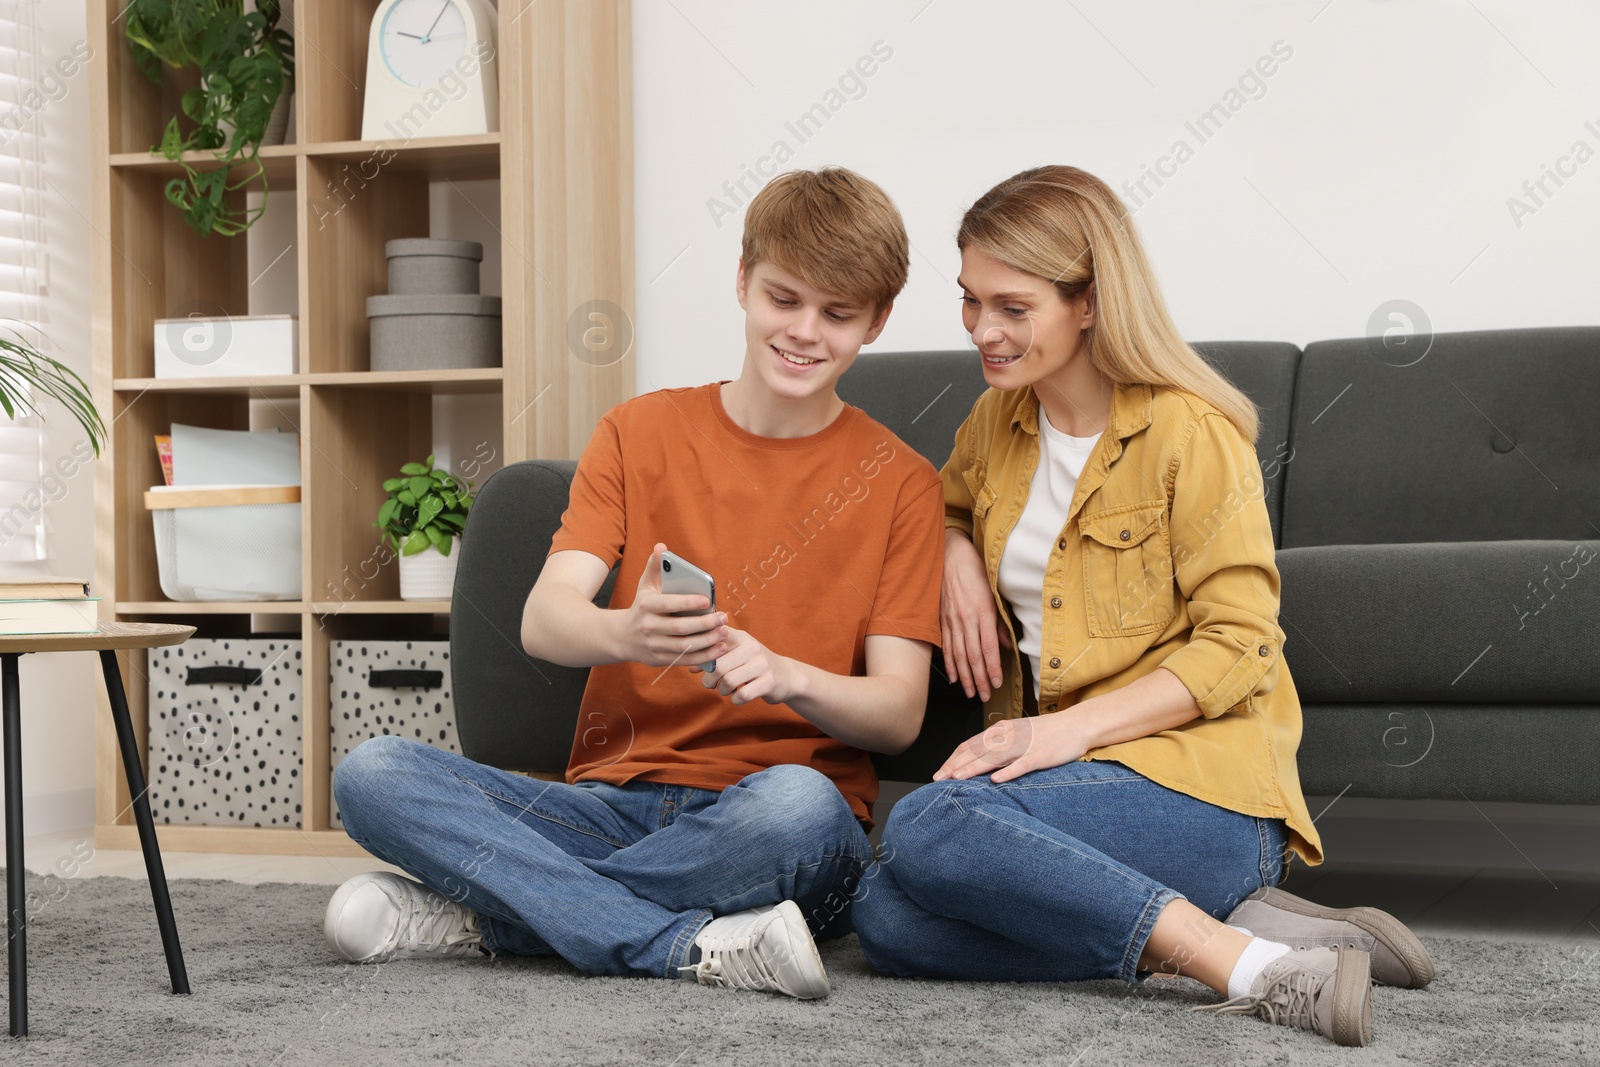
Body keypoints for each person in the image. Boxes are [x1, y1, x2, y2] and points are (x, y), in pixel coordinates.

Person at [323, 167, 945, 1000]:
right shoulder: (640, 429)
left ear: (877, 320)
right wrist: (627, 633)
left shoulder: (901, 481)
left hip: (779, 819)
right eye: (783, 299)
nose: (804, 332)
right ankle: (681, 942)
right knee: (371, 771)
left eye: (837, 315)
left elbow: (900, 712)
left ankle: (497, 917)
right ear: (742, 282)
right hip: (611, 804)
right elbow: (546, 620)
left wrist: (789, 677)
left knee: (799, 804)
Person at [852, 165, 1433, 1047]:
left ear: (1088, 300)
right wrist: (952, 549)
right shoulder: (995, 423)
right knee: (884, 914)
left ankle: (1241, 964)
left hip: (1203, 793)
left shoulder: (1189, 433)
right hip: (1068, 797)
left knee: (930, 823)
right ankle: (1241, 928)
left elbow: (1241, 642)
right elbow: (936, 505)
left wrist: (1066, 732)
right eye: (971, 301)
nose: (982, 330)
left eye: (1013, 307)